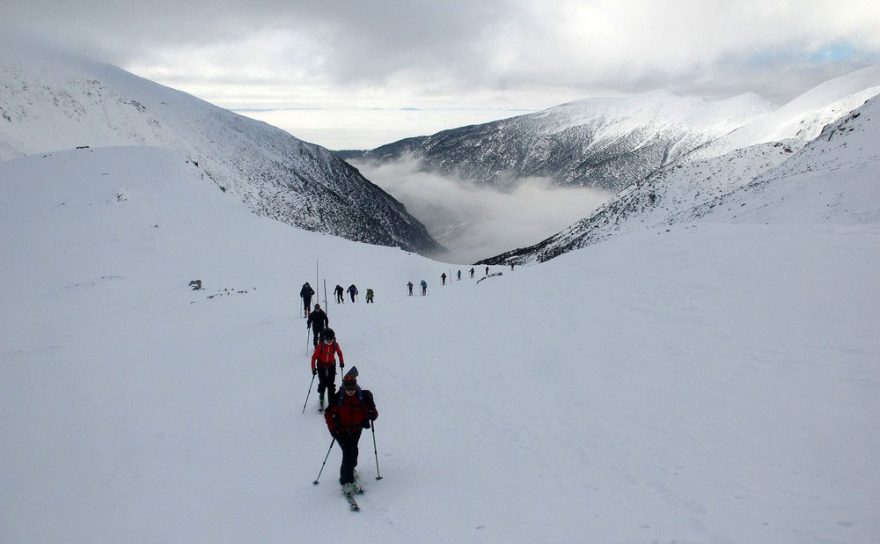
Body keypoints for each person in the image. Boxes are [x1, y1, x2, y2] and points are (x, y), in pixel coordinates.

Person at [325, 367, 378, 494]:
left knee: (354, 451)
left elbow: (374, 413)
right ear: (344, 387)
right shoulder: (338, 398)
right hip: (341, 430)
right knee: (348, 452)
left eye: (352, 388)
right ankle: (345, 481)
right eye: (348, 389)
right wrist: (333, 430)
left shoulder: (363, 397)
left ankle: (350, 470)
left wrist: (371, 414)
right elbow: (328, 415)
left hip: (356, 429)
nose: (350, 391)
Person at [310, 328, 344, 411]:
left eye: (331, 339)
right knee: (323, 383)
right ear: (325, 338)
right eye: (328, 339)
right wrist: (313, 368)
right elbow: (314, 358)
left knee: (331, 385)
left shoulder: (335, 345)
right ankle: (321, 400)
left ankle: (331, 402)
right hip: (321, 365)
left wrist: (341, 362)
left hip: (331, 364)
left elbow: (339, 353)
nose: (329, 341)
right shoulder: (321, 345)